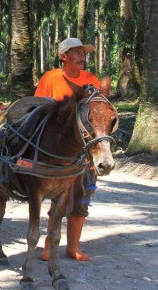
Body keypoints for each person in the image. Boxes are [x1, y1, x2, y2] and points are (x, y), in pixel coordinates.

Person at [34, 37, 103, 262]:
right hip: (58, 152)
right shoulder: (50, 78)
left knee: (81, 198)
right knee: (57, 199)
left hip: (84, 152)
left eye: (84, 52)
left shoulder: (90, 80)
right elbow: (39, 108)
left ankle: (73, 247)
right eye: (77, 52)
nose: (82, 56)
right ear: (64, 56)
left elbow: (97, 111)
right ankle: (48, 246)